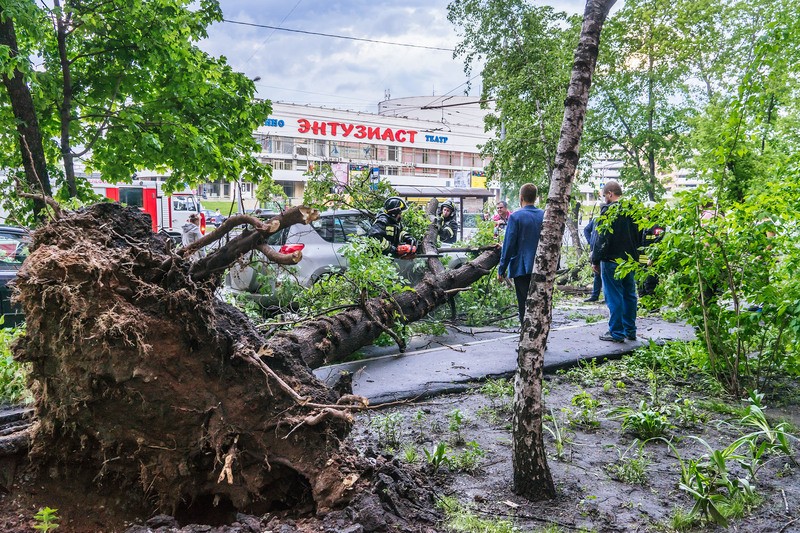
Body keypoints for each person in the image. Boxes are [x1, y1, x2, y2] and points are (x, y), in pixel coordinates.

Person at [591, 181, 640, 343]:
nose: (605, 199)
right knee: (630, 295)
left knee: (614, 296)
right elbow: (639, 235)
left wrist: (595, 260)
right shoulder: (632, 210)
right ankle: (630, 330)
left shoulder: (608, 211)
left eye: (605, 195)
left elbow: (601, 238)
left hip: (611, 260)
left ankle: (616, 333)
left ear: (610, 194)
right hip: (629, 261)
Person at [498, 184, 545, 325]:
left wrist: (502, 268)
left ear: (521, 197)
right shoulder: (545, 215)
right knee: (540, 304)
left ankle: (526, 338)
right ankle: (539, 338)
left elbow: (509, 245)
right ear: (536, 198)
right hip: (542, 266)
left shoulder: (516, 217)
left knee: (524, 304)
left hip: (521, 267)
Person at [582, 217, 603, 302]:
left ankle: (605, 296)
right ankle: (595, 295)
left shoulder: (610, 220)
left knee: (605, 275)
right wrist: (590, 241)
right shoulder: (596, 219)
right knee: (597, 273)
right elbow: (586, 230)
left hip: (604, 250)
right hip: (595, 250)